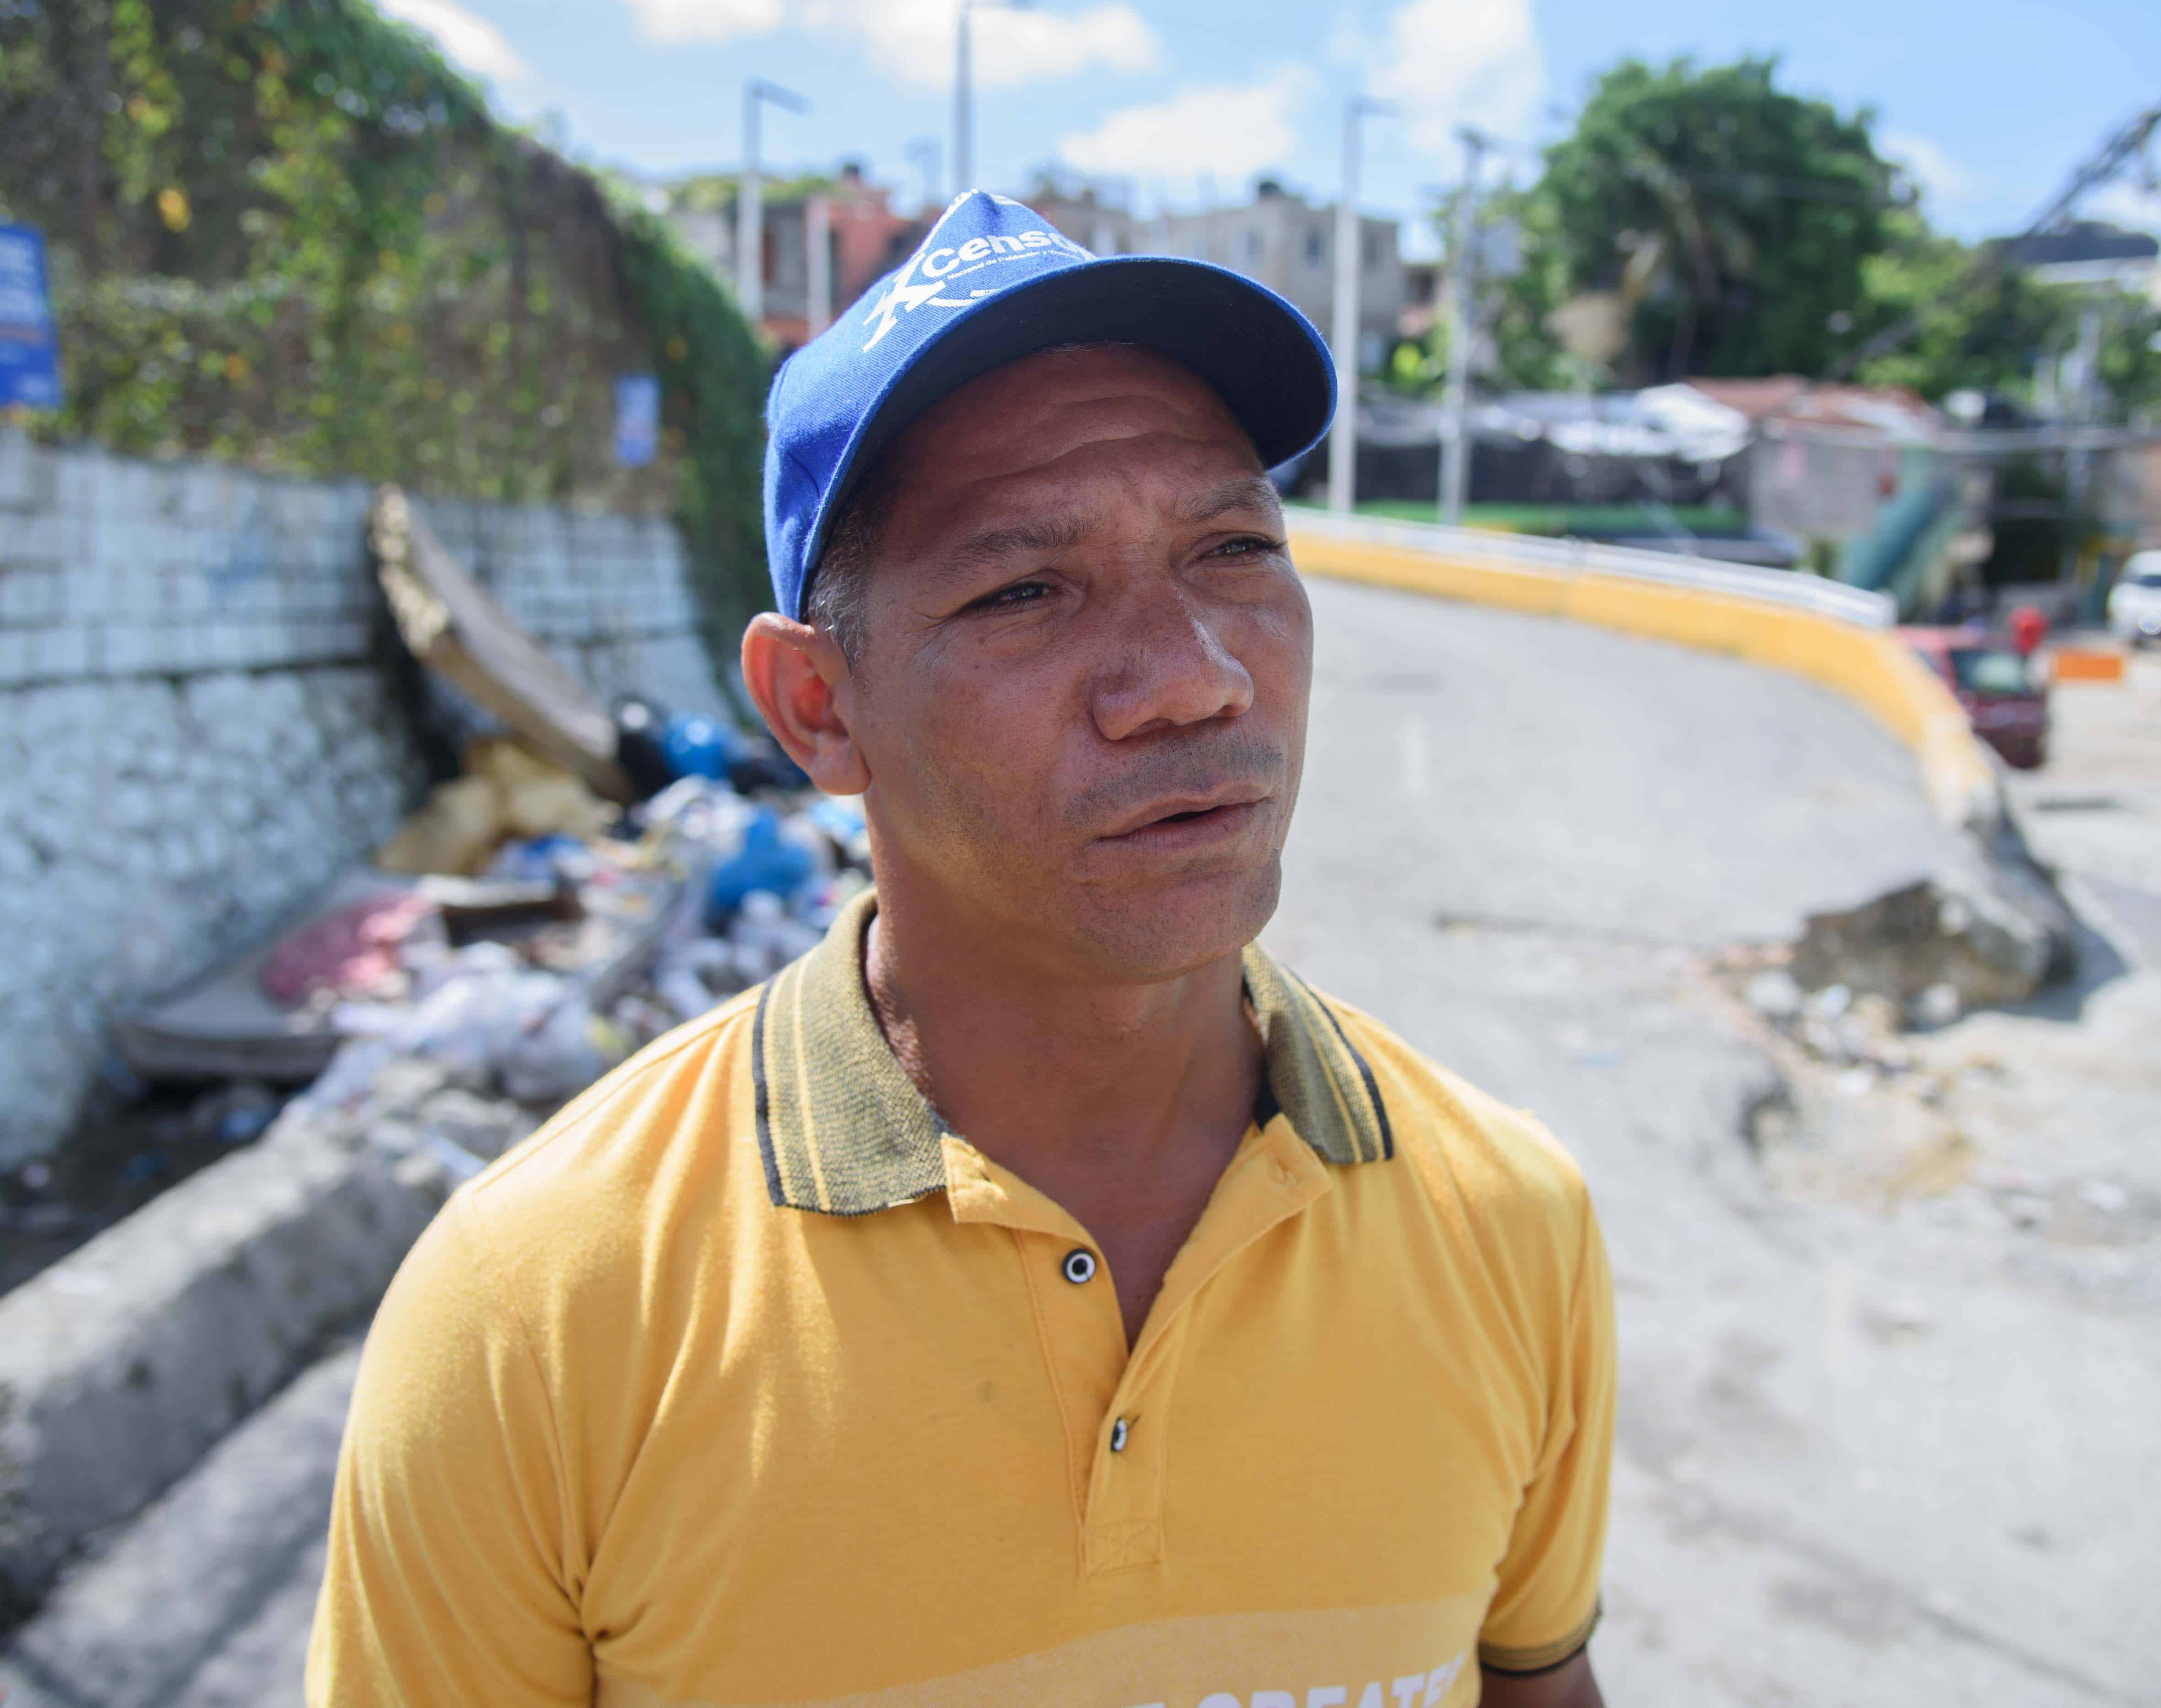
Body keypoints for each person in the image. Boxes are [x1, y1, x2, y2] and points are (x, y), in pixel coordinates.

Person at [309, 193, 1617, 1708]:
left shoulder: (1508, 1223)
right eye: (1025, 590)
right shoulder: (539, 1309)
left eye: (1232, 549)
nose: (1192, 682)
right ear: (818, 711)